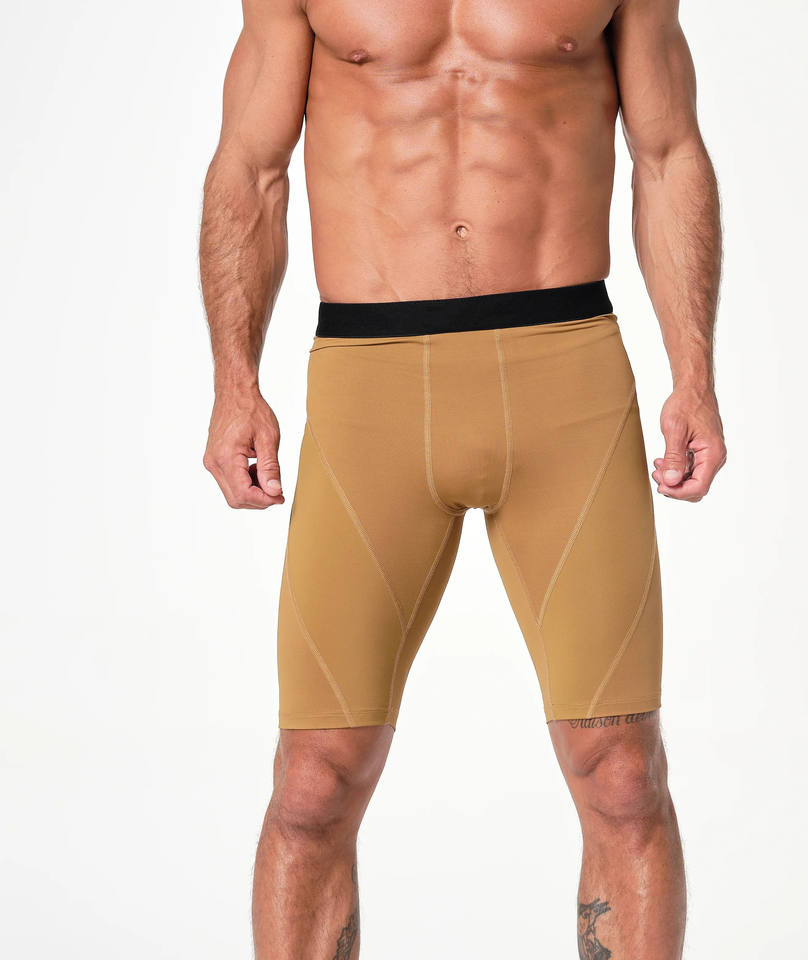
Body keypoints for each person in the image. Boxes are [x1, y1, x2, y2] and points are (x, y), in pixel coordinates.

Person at [199, 0, 725, 956]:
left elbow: (667, 152)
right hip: (369, 386)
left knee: (621, 773)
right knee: (313, 781)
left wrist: (695, 374)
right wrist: (236, 381)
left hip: (566, 373)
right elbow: (251, 166)